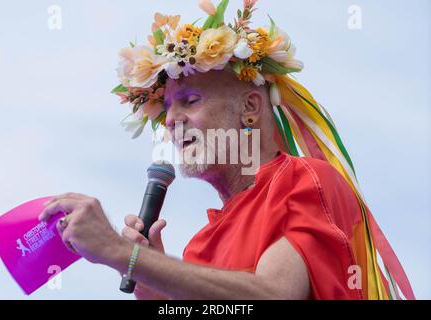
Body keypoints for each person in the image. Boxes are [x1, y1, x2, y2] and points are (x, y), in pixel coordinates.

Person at [39, 0, 414, 300]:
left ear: (250, 107)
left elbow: (273, 294)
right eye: (168, 107)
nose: (172, 119)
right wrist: (148, 279)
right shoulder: (202, 245)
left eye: (190, 100)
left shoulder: (305, 179)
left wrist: (122, 253)